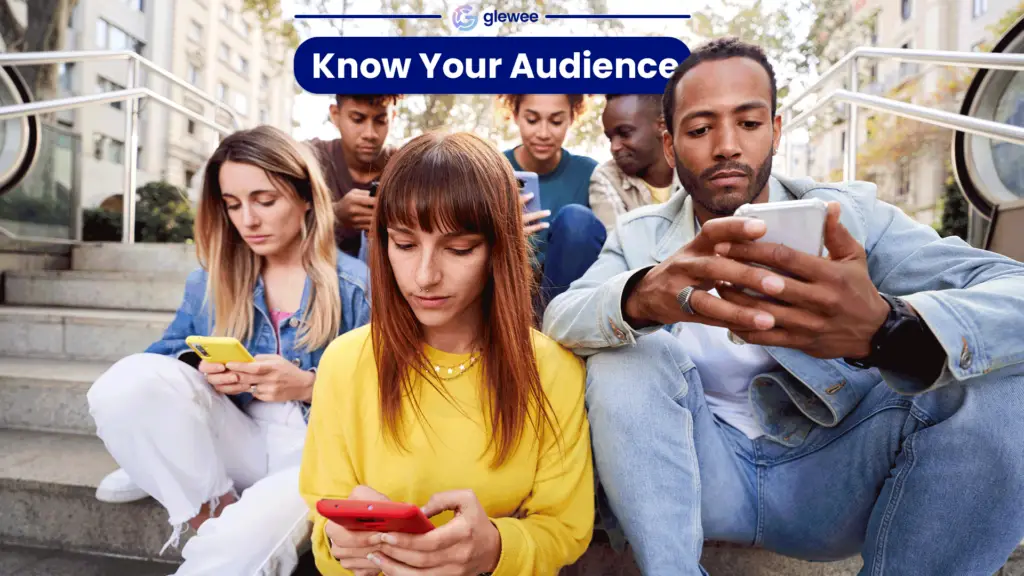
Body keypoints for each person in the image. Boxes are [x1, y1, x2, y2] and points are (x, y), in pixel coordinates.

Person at [543, 37, 1024, 576]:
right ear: (671, 145)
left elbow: (1013, 289)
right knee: (626, 356)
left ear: (775, 129)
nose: (726, 146)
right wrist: (642, 297)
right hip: (695, 478)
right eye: (700, 129)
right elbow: (562, 316)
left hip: (832, 477)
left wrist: (888, 329)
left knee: (1004, 381)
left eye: (748, 124)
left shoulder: (851, 216)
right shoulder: (639, 236)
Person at [299, 131, 594, 576]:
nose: (424, 276)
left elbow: (565, 530)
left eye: (458, 249)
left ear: (499, 247)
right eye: (404, 244)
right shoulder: (344, 363)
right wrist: (343, 546)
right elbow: (323, 523)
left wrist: (495, 548)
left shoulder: (552, 369)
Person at [87, 126, 371, 575]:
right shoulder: (210, 280)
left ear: (305, 198)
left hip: (317, 455)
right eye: (233, 204)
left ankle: (217, 524)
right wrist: (201, 367)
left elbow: (396, 396)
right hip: (236, 434)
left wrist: (311, 386)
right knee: (123, 385)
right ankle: (210, 509)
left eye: (265, 200)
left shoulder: (356, 285)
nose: (247, 221)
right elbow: (158, 364)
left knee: (232, 551)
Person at [499, 94, 606, 309]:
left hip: (565, 302)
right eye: (532, 120)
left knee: (577, 219)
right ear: (516, 115)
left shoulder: (589, 173)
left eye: (556, 121)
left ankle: (552, 329)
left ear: (572, 118)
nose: (543, 133)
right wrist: (504, 230)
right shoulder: (493, 169)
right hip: (508, 295)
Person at [307, 93, 401, 261]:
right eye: (358, 119)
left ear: (393, 117)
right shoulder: (309, 159)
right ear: (335, 115)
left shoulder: (407, 167)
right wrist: (333, 215)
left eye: (380, 121)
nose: (369, 133)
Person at [589, 93, 680, 230]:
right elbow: (619, 246)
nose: (614, 147)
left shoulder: (693, 166)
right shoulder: (607, 177)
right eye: (610, 138)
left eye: (625, 133)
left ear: (662, 126)